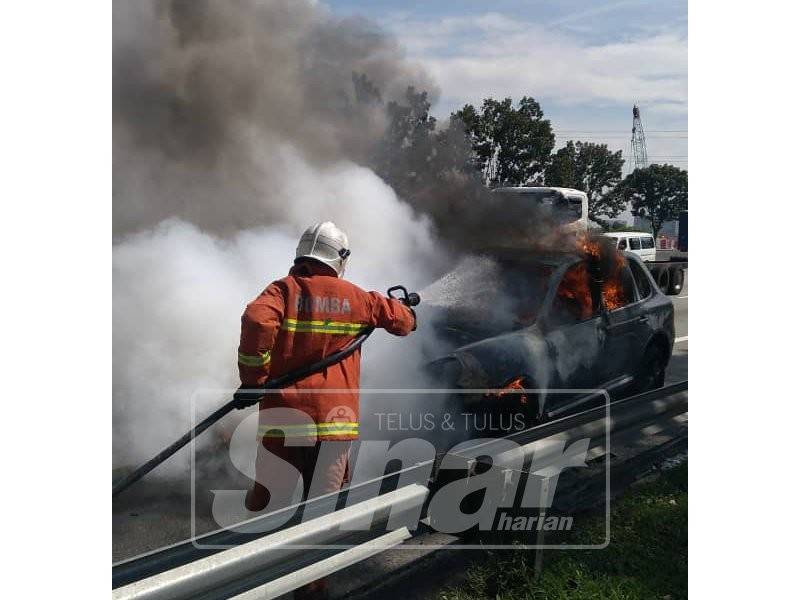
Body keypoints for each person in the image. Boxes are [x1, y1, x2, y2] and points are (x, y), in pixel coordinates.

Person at [237, 220, 416, 514]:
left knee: (268, 506)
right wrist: (407, 311)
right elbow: (403, 322)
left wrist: (253, 381)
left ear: (301, 253)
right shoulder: (358, 297)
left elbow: (256, 320)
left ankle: (255, 542)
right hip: (334, 422)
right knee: (322, 510)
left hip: (283, 417)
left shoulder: (282, 291)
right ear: (340, 258)